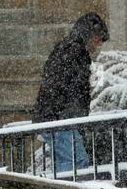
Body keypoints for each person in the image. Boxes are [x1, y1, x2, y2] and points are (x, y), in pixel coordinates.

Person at [33, 13, 109, 179]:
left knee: (69, 164)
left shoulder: (70, 50)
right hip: (60, 120)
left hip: (57, 118)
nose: (97, 46)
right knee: (76, 163)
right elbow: (69, 89)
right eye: (97, 41)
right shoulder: (73, 51)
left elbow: (63, 86)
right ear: (89, 35)